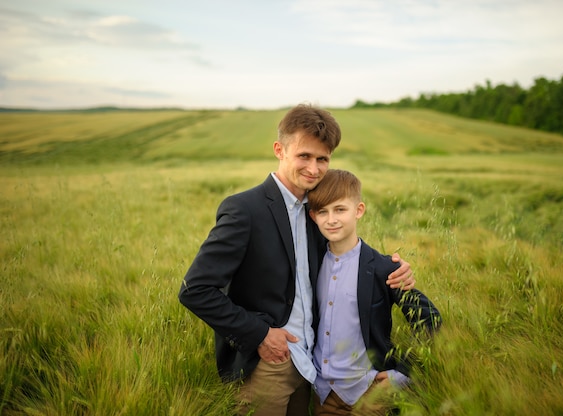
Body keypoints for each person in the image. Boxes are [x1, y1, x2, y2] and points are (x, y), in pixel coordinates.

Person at [178, 104, 416, 416]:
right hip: (267, 366)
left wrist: (393, 267)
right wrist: (260, 334)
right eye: (304, 156)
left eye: (323, 159)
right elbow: (195, 290)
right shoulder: (244, 210)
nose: (314, 169)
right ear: (280, 150)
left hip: (312, 369)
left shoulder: (316, 210)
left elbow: (344, 251)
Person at [307, 169, 441, 415]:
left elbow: (429, 318)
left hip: (369, 392)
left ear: (358, 210)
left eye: (340, 209)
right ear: (313, 216)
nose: (331, 219)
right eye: (323, 212)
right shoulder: (310, 264)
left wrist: (403, 372)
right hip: (323, 393)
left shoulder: (383, 268)